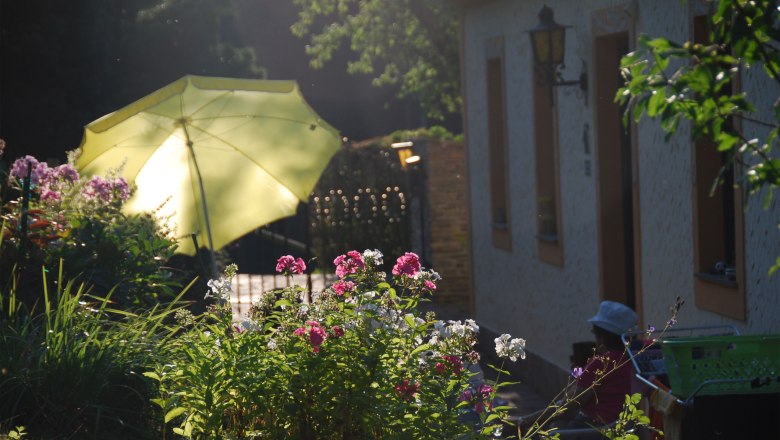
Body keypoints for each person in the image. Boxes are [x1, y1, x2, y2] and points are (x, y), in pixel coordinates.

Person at [518, 300, 638, 438]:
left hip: (594, 428)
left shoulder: (602, 362)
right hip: (621, 426)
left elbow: (566, 405)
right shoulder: (635, 356)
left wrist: (520, 422)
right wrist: (580, 371)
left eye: (595, 333)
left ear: (602, 336)